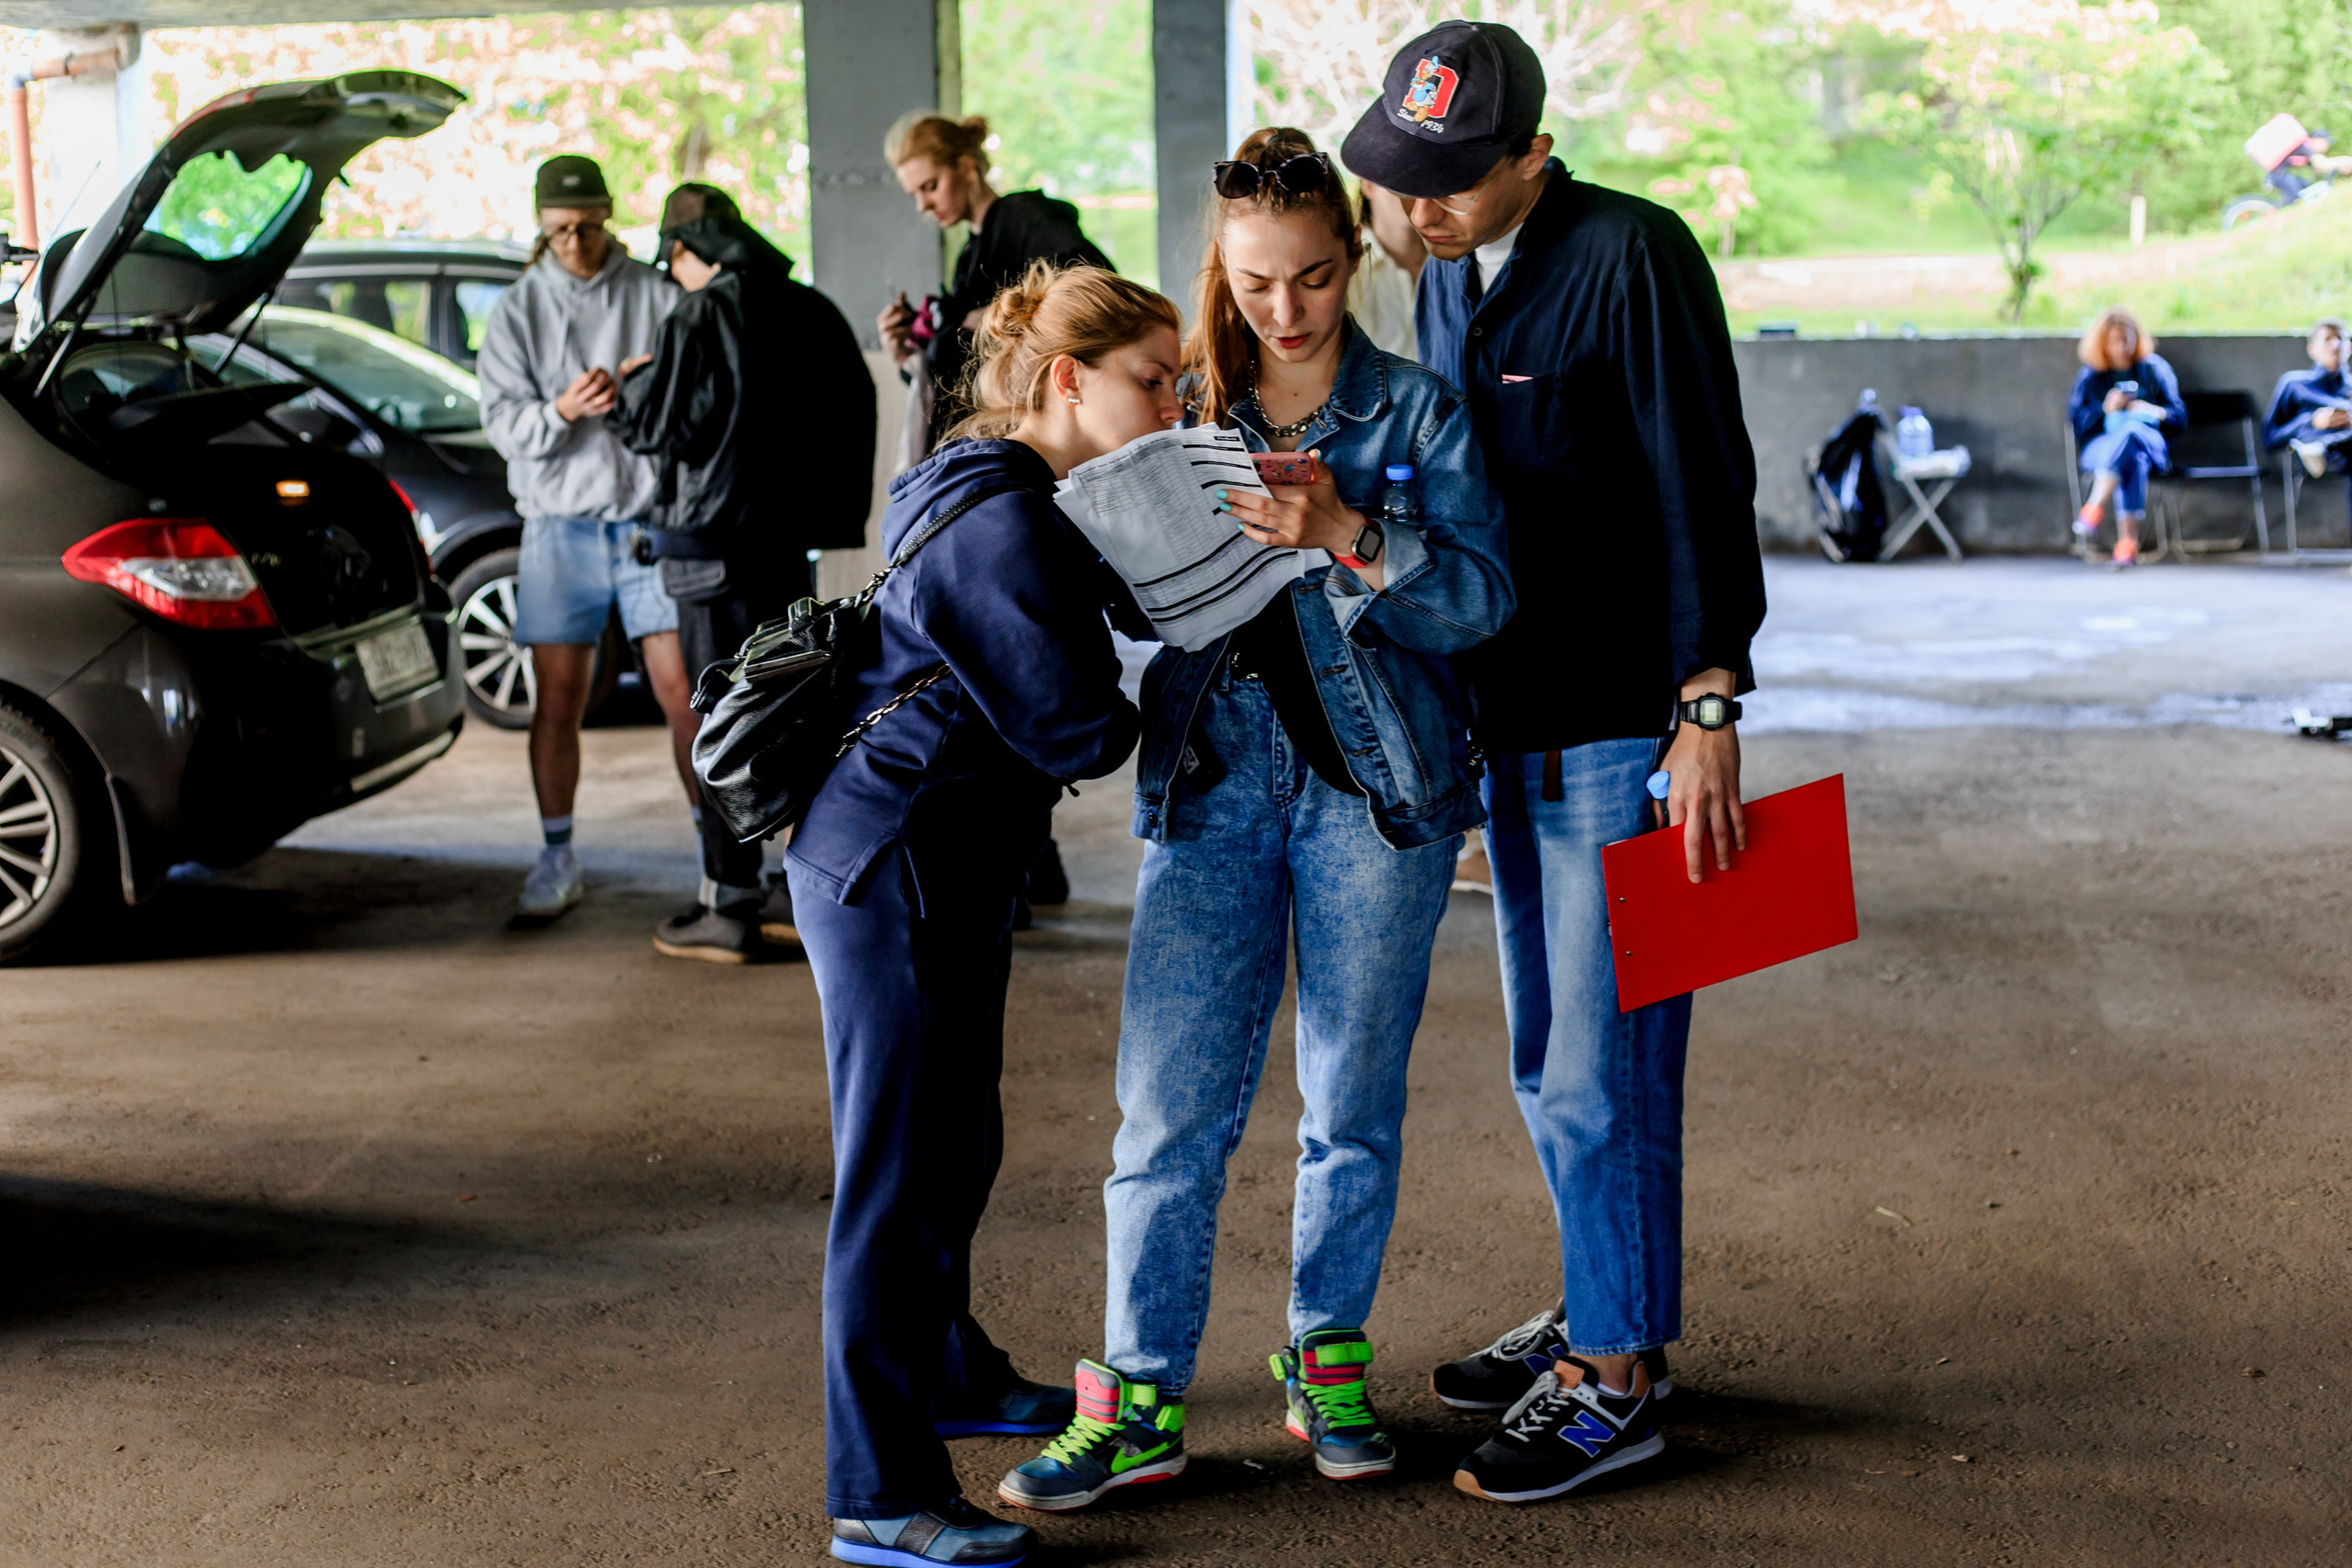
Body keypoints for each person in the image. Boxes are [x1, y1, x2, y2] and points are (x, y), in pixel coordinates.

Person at [996, 128, 1512, 1516]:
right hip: (1209, 788)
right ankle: (1140, 1396)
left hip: (1378, 795)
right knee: (1165, 1105)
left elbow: (1483, 602)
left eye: (1315, 279)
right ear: (1220, 267)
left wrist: (1350, 529)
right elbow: (1114, 595)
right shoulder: (1178, 404)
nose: (1284, 309)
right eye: (1256, 280)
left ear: (1353, 260)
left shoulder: (1419, 414)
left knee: (1350, 1101)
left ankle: (1324, 1357)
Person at [1341, 19, 1764, 1504]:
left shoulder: (1635, 255)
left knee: (1609, 1063)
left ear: (1532, 152)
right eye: (1406, 178)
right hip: (1510, 724)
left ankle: (1621, 1375)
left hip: (1620, 728)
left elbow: (1703, 479)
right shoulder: (1455, 271)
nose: (1420, 207)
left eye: (1452, 179)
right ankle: (1603, 1303)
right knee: (1547, 1057)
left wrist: (1705, 709)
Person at [791, 264, 1177, 1568]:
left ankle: (947, 1364)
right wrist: (1179, 672)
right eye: (1154, 380)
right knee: (892, 1181)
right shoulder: (1000, 527)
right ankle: (877, 1486)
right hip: (891, 864)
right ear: (1069, 380)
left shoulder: (1017, 482)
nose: (1174, 403)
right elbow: (1081, 720)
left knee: (957, 1138)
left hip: (946, 862)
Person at [609, 184, 876, 961]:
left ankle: (729, 904)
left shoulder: (697, 313)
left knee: (720, 722)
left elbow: (659, 425)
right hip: (787, 551)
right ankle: (799, 892)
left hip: (707, 549)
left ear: (686, 251)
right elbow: (851, 405)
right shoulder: (809, 307)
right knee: (792, 713)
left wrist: (632, 381)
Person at [876, 112, 1117, 922]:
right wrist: (919, 342)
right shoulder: (975, 246)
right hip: (984, 476)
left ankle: (1020, 856)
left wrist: (995, 325)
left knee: (1013, 668)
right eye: (915, 194)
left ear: (969, 163)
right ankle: (1027, 860)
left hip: (1019, 485)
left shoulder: (1027, 221)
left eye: (932, 184)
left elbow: (1096, 307)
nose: (926, 203)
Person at [479, 155, 690, 922]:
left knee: (683, 694)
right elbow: (503, 424)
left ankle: (717, 861)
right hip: (559, 525)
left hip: (645, 523)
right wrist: (562, 410)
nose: (575, 243)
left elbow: (692, 396)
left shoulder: (656, 296)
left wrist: (645, 390)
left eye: (589, 227)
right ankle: (557, 855)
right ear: (540, 227)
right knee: (557, 700)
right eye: (560, 231)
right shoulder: (518, 309)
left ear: (609, 216)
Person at [2067, 307, 2185, 569]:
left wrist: (2152, 411)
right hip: (2102, 446)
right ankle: (2127, 545)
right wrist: (2104, 409)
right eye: (2113, 341)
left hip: (2150, 442)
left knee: (2132, 435)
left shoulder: (2154, 369)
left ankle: (2094, 506)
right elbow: (2076, 420)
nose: (2121, 347)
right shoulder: (2091, 376)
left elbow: (2179, 417)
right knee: (2132, 458)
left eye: (2126, 339)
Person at [2263, 316, 2352, 490]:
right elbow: (2270, 438)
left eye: (2340, 339)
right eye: (2327, 339)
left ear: (2349, 347)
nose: (2335, 345)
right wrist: (2311, 421)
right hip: (2310, 451)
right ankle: (2320, 448)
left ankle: (2327, 446)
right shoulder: (2294, 384)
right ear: (2312, 349)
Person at [1347, 178, 1426, 361]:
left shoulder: (1457, 265)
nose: (1412, 193)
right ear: (1368, 185)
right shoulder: (1346, 269)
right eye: (1398, 180)